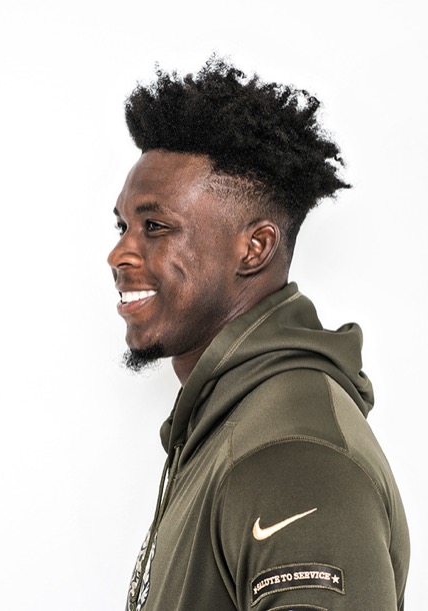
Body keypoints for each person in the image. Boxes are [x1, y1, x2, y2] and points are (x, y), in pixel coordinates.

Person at [109, 60, 409, 610]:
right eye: (122, 226)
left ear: (255, 248)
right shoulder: (226, 423)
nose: (120, 253)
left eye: (155, 227)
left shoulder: (290, 456)